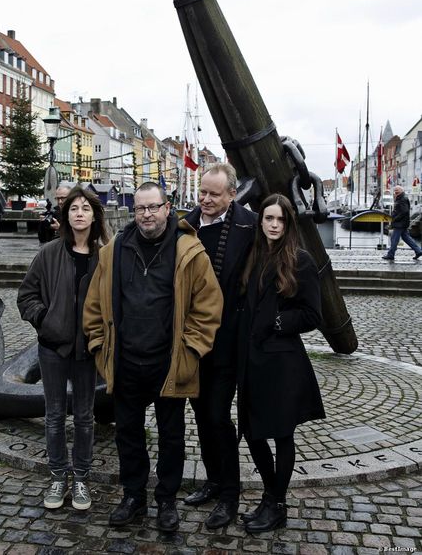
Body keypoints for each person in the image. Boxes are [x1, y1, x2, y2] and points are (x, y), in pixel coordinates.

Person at [83, 181, 223, 532]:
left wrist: (191, 350)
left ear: (167, 208)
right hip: (126, 362)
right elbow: (95, 305)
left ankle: (166, 501)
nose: (146, 214)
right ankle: (133, 496)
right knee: (127, 434)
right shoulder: (114, 250)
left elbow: (208, 307)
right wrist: (100, 346)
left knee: (171, 437)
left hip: (169, 362)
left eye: (153, 207)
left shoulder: (189, 250)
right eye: (140, 209)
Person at [238, 193, 325, 534]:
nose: (274, 225)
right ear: (260, 222)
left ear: (287, 224)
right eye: (268, 218)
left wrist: (277, 322)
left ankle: (276, 503)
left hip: (282, 364)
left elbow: (312, 314)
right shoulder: (254, 256)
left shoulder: (300, 260)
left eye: (280, 220)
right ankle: (272, 496)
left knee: (282, 435)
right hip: (252, 361)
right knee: (252, 432)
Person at [17, 186, 108, 511]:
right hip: (53, 349)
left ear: (94, 214)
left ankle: (81, 479)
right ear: (66, 214)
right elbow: (27, 295)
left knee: (84, 417)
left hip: (87, 352)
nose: (80, 213)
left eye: (85, 208)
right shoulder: (49, 253)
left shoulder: (104, 257)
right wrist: (46, 321)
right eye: (74, 208)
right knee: (55, 415)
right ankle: (58, 476)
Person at [183, 163, 256, 528]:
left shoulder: (249, 226)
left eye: (214, 193)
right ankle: (213, 481)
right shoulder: (185, 225)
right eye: (203, 192)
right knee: (200, 415)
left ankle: (230, 494)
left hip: (228, 340)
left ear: (232, 194)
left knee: (216, 415)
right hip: (193, 341)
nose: (206, 199)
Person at [382, 185, 422, 261]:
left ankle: (390, 254)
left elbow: (404, 211)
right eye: (395, 191)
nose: (395, 192)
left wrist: (396, 218)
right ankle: (418, 251)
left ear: (401, 191)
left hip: (400, 223)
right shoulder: (400, 198)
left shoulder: (402, 199)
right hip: (402, 223)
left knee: (394, 239)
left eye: (397, 190)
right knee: (406, 238)